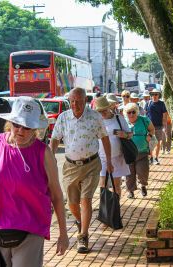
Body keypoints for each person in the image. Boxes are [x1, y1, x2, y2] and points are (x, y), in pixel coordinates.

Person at [0, 96, 68, 266]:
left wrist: (63, 234)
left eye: (27, 127)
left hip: (30, 231)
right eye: (16, 125)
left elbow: (57, 195)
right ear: (9, 123)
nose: (21, 131)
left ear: (35, 128)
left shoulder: (43, 152)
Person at [50, 87, 113, 254]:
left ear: (85, 101)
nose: (74, 104)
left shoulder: (95, 117)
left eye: (78, 101)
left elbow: (105, 138)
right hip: (70, 166)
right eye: (72, 101)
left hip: (91, 164)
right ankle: (80, 220)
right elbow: (55, 139)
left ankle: (83, 236)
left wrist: (109, 161)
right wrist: (50, 158)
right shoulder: (63, 118)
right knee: (72, 203)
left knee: (86, 200)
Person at [95, 96, 131, 197]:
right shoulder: (97, 121)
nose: (102, 113)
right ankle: (105, 208)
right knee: (103, 185)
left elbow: (130, 134)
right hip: (102, 157)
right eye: (99, 111)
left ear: (109, 107)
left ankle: (115, 208)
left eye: (104, 110)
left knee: (116, 186)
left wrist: (125, 135)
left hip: (117, 157)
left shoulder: (118, 118)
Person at [123, 103, 155, 199]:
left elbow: (152, 129)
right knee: (129, 173)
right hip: (129, 152)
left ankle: (143, 186)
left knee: (143, 171)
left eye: (133, 112)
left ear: (137, 112)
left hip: (142, 151)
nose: (131, 114)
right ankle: (131, 191)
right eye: (129, 112)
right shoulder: (124, 122)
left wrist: (149, 136)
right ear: (126, 113)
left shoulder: (144, 120)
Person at [144, 89, 168, 165]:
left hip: (158, 126)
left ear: (158, 95)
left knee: (157, 143)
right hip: (149, 127)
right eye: (153, 94)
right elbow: (145, 115)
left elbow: (164, 116)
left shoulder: (162, 104)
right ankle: (151, 157)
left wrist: (165, 126)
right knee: (150, 143)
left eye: (156, 94)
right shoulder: (148, 103)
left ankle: (156, 158)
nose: (154, 96)